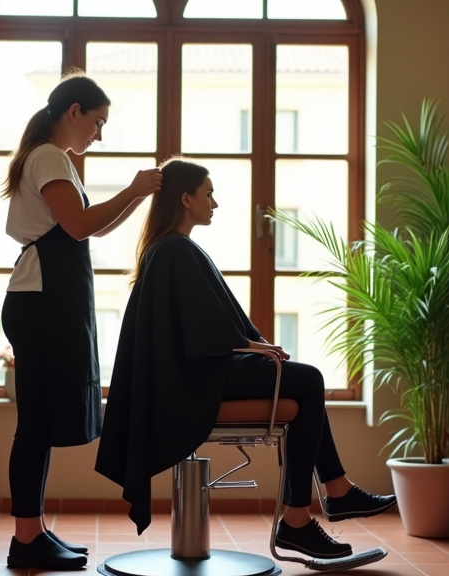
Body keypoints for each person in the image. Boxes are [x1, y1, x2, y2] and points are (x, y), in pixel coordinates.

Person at [95, 157, 396, 560]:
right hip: (192, 380)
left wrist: (251, 344)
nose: (214, 203)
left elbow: (203, 324)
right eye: (208, 194)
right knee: (307, 380)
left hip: (196, 373)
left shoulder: (170, 248)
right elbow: (198, 330)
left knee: (304, 382)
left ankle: (322, 503)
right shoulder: (174, 249)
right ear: (186, 199)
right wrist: (249, 345)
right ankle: (313, 509)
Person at [0, 70, 162, 571]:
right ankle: (26, 537)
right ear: (74, 112)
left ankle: (33, 530)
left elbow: (89, 229)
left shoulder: (53, 159)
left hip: (42, 302)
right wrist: (133, 189)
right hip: (40, 304)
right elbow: (78, 226)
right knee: (34, 425)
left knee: (39, 423)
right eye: (97, 122)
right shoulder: (49, 157)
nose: (99, 134)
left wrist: (137, 196)